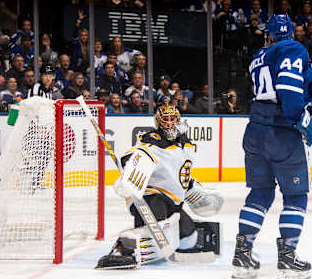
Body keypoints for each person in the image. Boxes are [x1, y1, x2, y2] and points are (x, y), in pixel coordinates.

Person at [231, 14, 312, 279]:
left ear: (268, 35)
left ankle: (242, 256)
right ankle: (288, 259)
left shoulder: (260, 55)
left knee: (260, 193)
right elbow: (288, 87)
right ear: (291, 33)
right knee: (295, 196)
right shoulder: (293, 48)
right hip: (282, 134)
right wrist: (303, 120)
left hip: (256, 131)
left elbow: (292, 73)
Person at [95, 102, 222, 269]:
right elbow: (134, 155)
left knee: (189, 237)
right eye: (165, 120)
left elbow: (182, 175)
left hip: (173, 202)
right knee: (158, 227)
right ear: (158, 122)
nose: (169, 124)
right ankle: (122, 250)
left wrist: (193, 190)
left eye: (173, 119)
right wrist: (130, 173)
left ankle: (158, 241)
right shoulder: (154, 140)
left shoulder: (186, 144)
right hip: (151, 197)